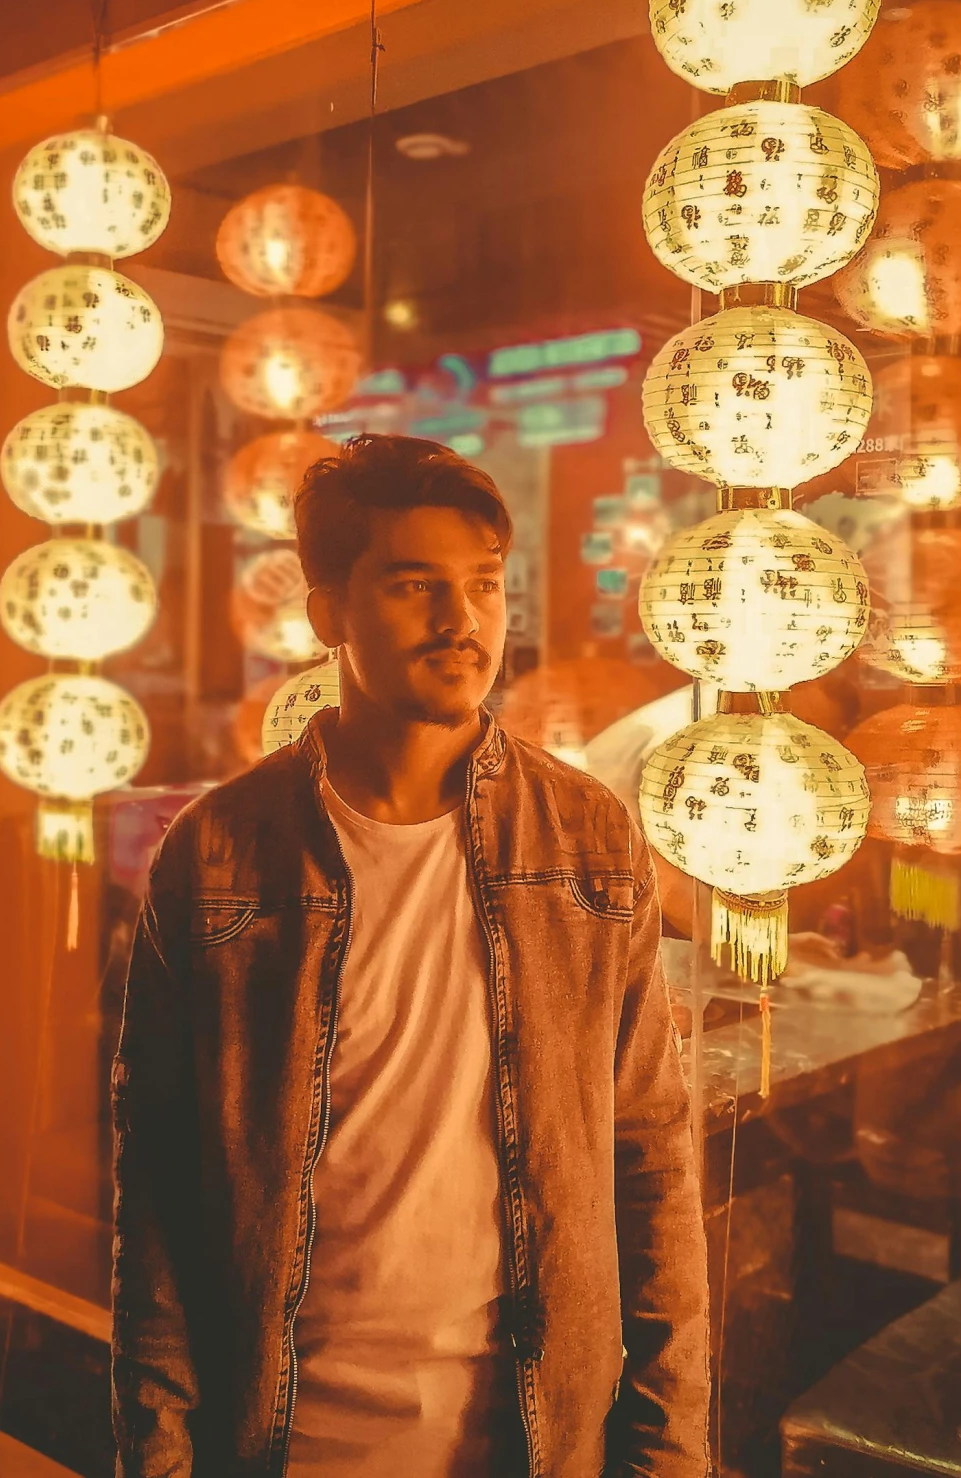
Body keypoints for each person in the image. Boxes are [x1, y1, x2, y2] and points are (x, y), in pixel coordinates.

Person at [111, 433, 709, 1477]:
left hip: (525, 1435)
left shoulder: (585, 839)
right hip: (283, 1435)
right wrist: (156, 1455)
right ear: (327, 616)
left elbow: (650, 1156)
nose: (459, 619)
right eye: (411, 585)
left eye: (483, 585)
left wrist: (669, 1452)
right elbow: (158, 1193)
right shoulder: (215, 857)